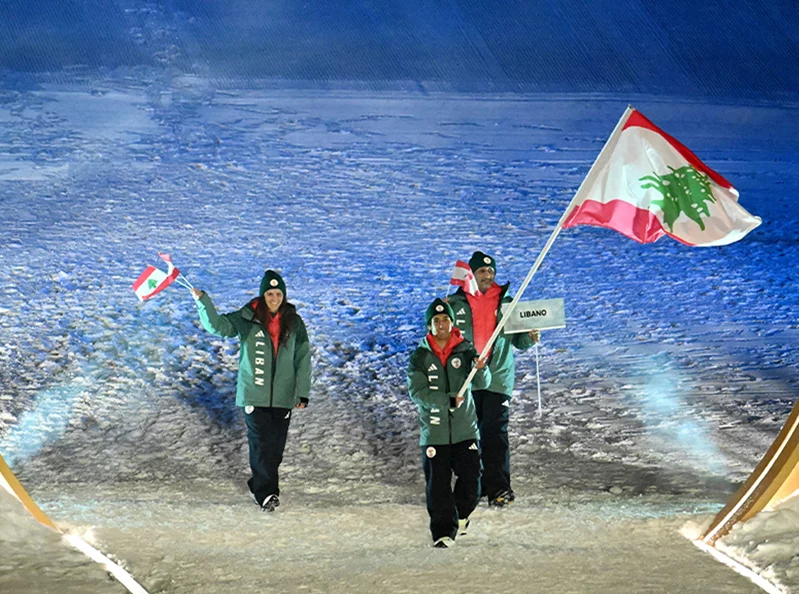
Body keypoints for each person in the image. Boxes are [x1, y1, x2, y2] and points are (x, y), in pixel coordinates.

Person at [190, 269, 311, 512]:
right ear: (262, 295)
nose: (274, 298)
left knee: (275, 448)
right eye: (269, 293)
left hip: (283, 396)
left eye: (278, 293)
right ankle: (266, 494)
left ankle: (260, 484)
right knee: (260, 443)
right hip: (253, 393)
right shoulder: (247, 318)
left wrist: (302, 392)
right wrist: (203, 301)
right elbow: (218, 326)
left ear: (283, 296)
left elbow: (302, 357)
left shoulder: (294, 322)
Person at [447, 251, 539, 507]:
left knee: (495, 433)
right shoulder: (456, 303)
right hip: (467, 378)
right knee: (468, 435)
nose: (488, 276)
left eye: (491, 272)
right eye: (482, 272)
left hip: (498, 378)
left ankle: (499, 489)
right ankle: (470, 489)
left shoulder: (507, 302)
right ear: (472, 275)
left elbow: (518, 341)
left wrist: (530, 338)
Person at [407, 297, 491, 548]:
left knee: (472, 479)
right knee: (438, 485)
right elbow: (418, 393)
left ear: (452, 323)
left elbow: (482, 383)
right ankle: (443, 532)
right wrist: (447, 400)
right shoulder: (420, 357)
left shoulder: (465, 350)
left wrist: (481, 368)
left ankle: (461, 514)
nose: (441, 324)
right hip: (435, 433)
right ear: (429, 325)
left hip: (465, 429)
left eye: (445, 319)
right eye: (436, 320)